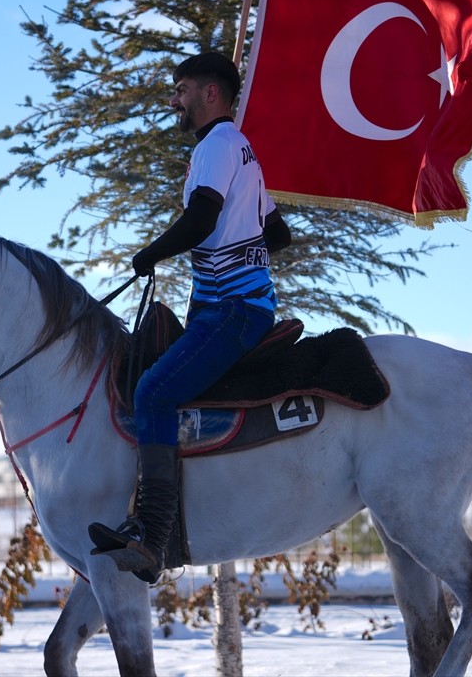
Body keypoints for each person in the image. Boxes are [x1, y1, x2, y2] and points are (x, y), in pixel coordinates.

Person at [88, 51, 291, 582]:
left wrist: (149, 254)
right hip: (236, 303)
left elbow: (201, 219)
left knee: (152, 391)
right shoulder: (241, 150)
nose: (174, 100)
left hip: (230, 309)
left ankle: (151, 535)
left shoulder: (217, 145)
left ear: (210, 94)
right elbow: (278, 234)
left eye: (181, 90)